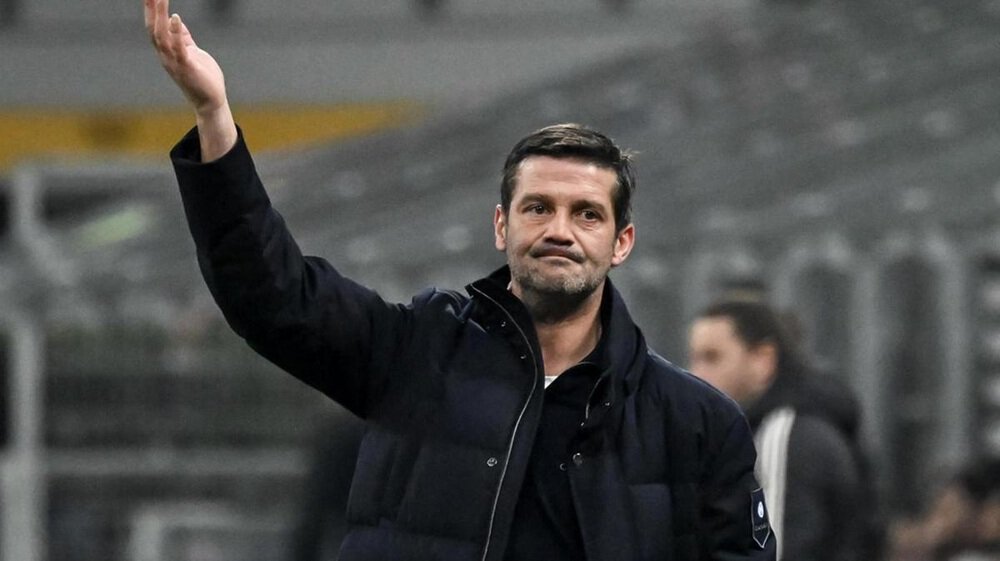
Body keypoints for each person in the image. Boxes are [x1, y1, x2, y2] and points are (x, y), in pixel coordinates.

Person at [145, 0, 776, 558]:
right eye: (538, 208)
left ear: (622, 243)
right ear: (501, 226)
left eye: (587, 214)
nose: (560, 230)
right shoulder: (418, 353)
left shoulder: (696, 422)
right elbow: (274, 295)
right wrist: (214, 116)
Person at [688, 299, 883, 561]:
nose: (695, 374)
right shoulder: (798, 426)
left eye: (712, 358)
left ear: (763, 360)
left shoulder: (782, 437)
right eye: (695, 359)